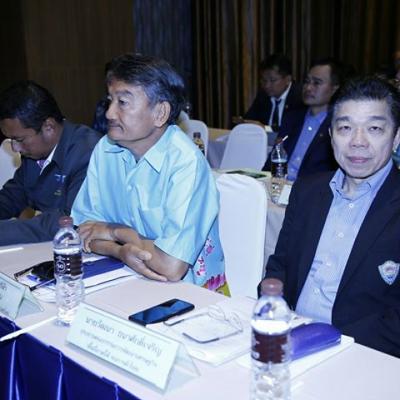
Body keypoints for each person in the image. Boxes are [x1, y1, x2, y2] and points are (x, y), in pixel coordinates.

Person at [261, 76, 400, 357]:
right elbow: (280, 265)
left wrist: (332, 345)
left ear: (396, 138)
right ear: (331, 134)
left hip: (362, 354)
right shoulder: (308, 190)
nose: (358, 142)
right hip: (289, 337)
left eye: (374, 128)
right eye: (345, 127)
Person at [71, 53, 227, 293]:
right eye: (110, 100)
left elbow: (171, 266)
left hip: (190, 293)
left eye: (123, 102)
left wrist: (116, 232)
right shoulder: (106, 149)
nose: (110, 113)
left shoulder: (186, 163)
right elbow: (84, 232)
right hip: (125, 278)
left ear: (160, 113)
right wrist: (120, 251)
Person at [0, 81, 102, 245]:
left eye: (19, 139)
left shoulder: (88, 153)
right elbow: (12, 196)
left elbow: (68, 221)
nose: (14, 147)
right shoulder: (34, 153)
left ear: (48, 127)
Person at [263, 58, 341, 180]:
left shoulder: (337, 125)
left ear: (334, 88)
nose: (308, 88)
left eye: (316, 83)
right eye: (306, 81)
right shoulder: (292, 118)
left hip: (311, 189)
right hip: (279, 184)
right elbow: (273, 160)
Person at [239, 54, 304, 131]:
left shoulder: (300, 97)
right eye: (264, 80)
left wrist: (265, 128)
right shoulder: (263, 95)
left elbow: (295, 129)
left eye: (272, 80)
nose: (267, 85)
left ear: (288, 79)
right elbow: (250, 119)